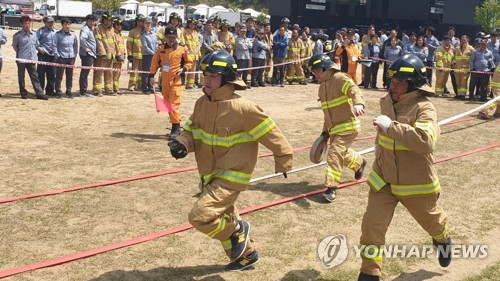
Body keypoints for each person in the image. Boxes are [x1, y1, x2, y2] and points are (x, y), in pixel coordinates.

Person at [169, 49, 293, 271]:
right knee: (224, 217)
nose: (206, 80)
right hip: (210, 175)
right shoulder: (201, 103)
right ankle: (247, 256)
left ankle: (237, 231)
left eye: (213, 76)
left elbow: (271, 133)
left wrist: (283, 158)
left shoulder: (243, 108)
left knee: (200, 217)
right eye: (205, 74)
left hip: (232, 177)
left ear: (226, 79)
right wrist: (182, 144)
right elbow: (191, 130)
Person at [358, 54, 451, 281]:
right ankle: (369, 273)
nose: (393, 87)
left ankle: (443, 240)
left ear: (413, 85)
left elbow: (425, 141)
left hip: (415, 183)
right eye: (392, 81)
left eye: (399, 83)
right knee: (371, 227)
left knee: (433, 222)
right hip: (384, 181)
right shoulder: (386, 102)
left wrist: (392, 127)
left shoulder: (424, 108)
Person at [308, 53, 367, 202]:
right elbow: (327, 112)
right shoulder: (322, 87)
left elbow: (354, 90)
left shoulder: (340, 78)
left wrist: (358, 103)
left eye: (316, 71)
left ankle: (331, 188)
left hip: (348, 127)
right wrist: (324, 131)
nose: (314, 74)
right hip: (334, 129)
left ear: (324, 68)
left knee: (334, 153)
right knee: (340, 153)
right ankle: (359, 163)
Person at [148, 25, 192, 140]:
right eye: (169, 37)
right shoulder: (161, 49)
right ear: (165, 37)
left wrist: (184, 69)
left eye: (173, 37)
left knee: (174, 105)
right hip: (165, 82)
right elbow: (154, 63)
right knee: (168, 105)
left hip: (177, 81)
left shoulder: (182, 49)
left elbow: (189, 62)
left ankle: (176, 128)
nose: (171, 40)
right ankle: (175, 125)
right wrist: (151, 75)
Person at [12, 16, 48, 100]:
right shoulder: (17, 35)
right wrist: (21, 54)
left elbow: (36, 45)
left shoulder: (34, 34)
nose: (27, 25)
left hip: (31, 59)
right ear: (22, 24)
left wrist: (40, 49)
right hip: (21, 59)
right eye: (25, 23)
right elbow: (15, 46)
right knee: (21, 77)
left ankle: (39, 93)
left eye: (28, 23)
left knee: (35, 76)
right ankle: (23, 93)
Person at [52, 18, 78, 99]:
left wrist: (74, 55)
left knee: (69, 76)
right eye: (65, 24)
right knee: (59, 76)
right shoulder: (58, 34)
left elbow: (75, 45)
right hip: (61, 58)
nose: (67, 26)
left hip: (71, 58)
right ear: (62, 25)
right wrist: (58, 56)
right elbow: (54, 46)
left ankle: (68, 91)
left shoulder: (73, 34)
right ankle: (58, 92)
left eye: (69, 24)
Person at [93, 11, 117, 97]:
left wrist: (115, 54)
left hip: (110, 55)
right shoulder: (97, 28)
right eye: (106, 20)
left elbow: (114, 43)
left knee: (109, 73)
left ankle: (109, 89)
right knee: (99, 73)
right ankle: (97, 90)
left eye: (110, 20)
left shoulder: (112, 29)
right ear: (102, 20)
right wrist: (103, 53)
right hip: (101, 56)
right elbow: (99, 42)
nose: (108, 22)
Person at [36, 16, 57, 96]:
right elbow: (35, 42)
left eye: (52, 22)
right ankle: (40, 91)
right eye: (49, 22)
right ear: (45, 23)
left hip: (53, 55)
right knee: (41, 74)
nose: (51, 23)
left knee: (52, 74)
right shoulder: (40, 31)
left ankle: (50, 90)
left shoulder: (55, 32)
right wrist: (40, 49)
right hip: (43, 55)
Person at [79, 14, 97, 98]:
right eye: (90, 21)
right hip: (87, 54)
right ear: (87, 21)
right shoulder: (86, 29)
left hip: (91, 54)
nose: (92, 22)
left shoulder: (92, 29)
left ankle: (84, 91)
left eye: (93, 21)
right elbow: (82, 39)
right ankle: (83, 91)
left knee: (86, 73)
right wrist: (86, 48)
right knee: (84, 73)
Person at [453, 35, 475, 99]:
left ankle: (462, 94)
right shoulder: (457, 48)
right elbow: (455, 58)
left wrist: (471, 67)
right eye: (462, 39)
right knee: (458, 81)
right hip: (457, 68)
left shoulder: (471, 48)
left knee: (463, 81)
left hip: (465, 69)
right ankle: (459, 93)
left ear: (467, 40)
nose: (463, 41)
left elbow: (472, 59)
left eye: (464, 40)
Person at [127, 14, 144, 91]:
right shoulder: (132, 31)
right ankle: (132, 85)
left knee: (141, 72)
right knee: (134, 72)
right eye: (139, 21)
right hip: (135, 56)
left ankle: (140, 85)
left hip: (144, 56)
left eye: (142, 21)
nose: (140, 23)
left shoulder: (146, 31)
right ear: (136, 21)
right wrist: (129, 54)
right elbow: (129, 44)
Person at [183, 17, 201, 90]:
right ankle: (183, 85)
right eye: (190, 24)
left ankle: (190, 85)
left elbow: (197, 44)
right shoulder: (184, 32)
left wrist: (199, 53)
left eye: (193, 24)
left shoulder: (195, 33)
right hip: (187, 55)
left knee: (193, 71)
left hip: (195, 55)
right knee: (186, 70)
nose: (192, 26)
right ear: (188, 24)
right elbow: (183, 43)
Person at [141, 17, 157, 95]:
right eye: (146, 23)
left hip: (154, 55)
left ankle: (151, 87)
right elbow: (145, 47)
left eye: (149, 23)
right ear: (144, 24)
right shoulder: (143, 34)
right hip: (147, 55)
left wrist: (156, 52)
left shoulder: (153, 33)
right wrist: (153, 53)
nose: (148, 25)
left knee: (152, 71)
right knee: (146, 72)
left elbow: (156, 43)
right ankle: (145, 88)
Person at [112, 16, 125, 95]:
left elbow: (122, 45)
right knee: (114, 73)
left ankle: (116, 87)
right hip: (116, 57)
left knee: (118, 73)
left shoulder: (120, 34)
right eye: (117, 24)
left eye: (120, 24)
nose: (119, 26)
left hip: (121, 56)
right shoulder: (113, 34)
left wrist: (125, 54)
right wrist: (117, 55)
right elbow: (114, 46)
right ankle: (114, 88)